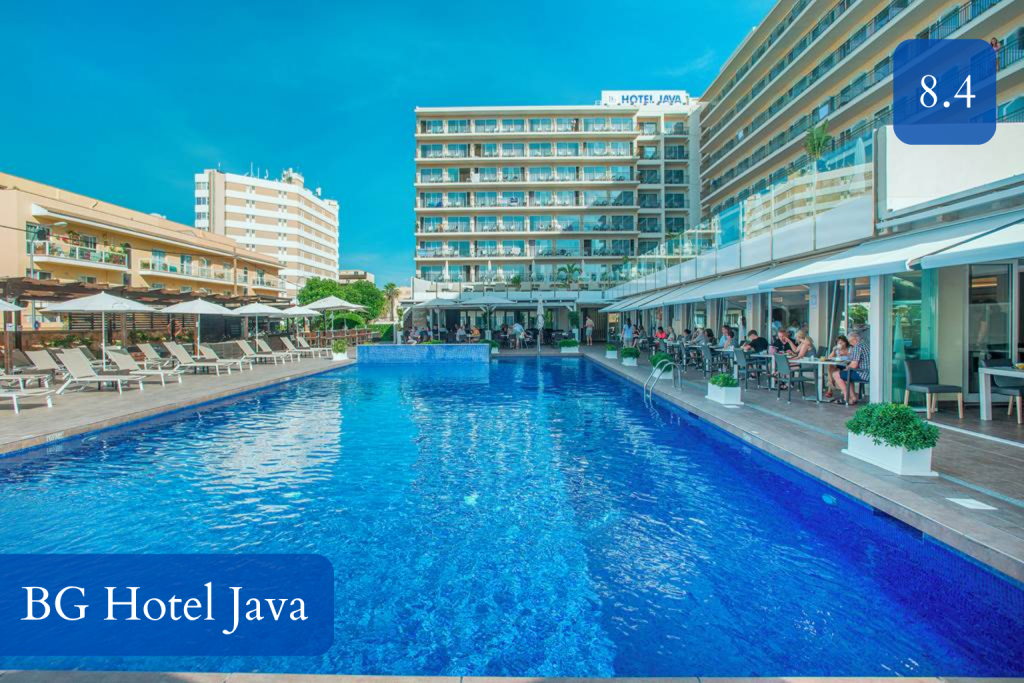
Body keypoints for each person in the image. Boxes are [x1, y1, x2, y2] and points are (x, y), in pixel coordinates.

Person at [834, 329, 870, 406]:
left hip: (863, 373)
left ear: (855, 339)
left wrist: (846, 368)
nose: (850, 344)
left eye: (851, 341)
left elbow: (854, 365)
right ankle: (853, 398)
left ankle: (846, 398)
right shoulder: (865, 345)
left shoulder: (858, 346)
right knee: (846, 374)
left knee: (836, 374)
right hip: (868, 372)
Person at [825, 335, 850, 400]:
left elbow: (852, 358)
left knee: (832, 370)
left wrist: (845, 354)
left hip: (847, 366)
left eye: (842, 342)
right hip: (839, 365)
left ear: (846, 342)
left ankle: (830, 389)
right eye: (839, 342)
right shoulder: (837, 350)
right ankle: (831, 382)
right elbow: (829, 358)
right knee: (830, 366)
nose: (840, 344)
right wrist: (833, 351)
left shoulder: (849, 348)